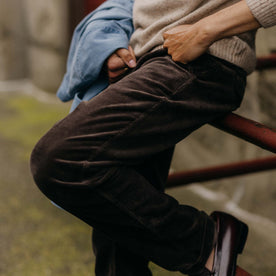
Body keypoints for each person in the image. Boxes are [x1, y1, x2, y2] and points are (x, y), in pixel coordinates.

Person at [30, 0, 276, 275]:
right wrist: (112, 43)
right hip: (146, 59)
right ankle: (205, 241)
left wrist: (204, 30)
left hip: (200, 59)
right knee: (118, 237)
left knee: (61, 159)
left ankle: (204, 240)